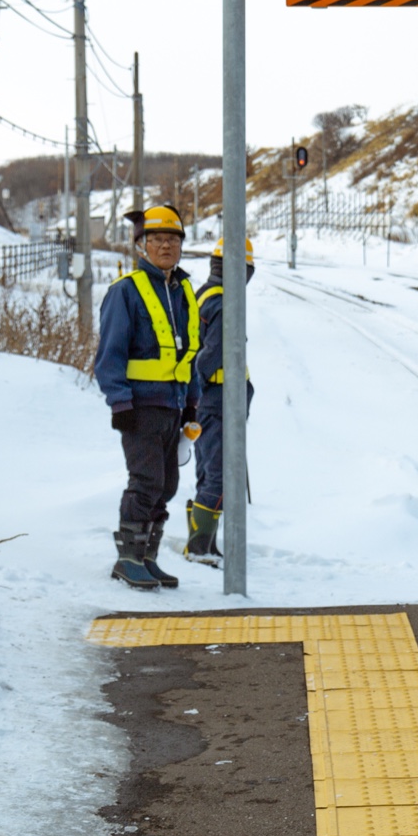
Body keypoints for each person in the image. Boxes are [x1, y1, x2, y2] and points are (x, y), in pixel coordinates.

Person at [94, 204, 201, 590]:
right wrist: (119, 403)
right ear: (141, 246)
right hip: (139, 407)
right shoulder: (126, 292)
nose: (165, 246)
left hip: (173, 406)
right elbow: (109, 355)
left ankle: (147, 557)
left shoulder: (184, 291)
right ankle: (127, 558)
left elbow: (190, 354)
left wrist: (192, 402)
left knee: (167, 484)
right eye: (156, 239)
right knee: (146, 480)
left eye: (172, 239)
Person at [185, 236, 255, 565]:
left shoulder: (207, 293)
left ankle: (204, 544)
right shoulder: (224, 301)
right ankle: (199, 548)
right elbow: (211, 356)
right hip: (217, 399)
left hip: (209, 398)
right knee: (221, 474)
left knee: (208, 470)